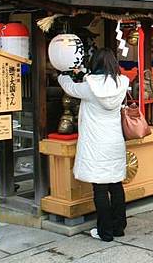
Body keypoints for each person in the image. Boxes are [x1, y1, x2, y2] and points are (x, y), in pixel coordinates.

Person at [58, 48, 130, 242]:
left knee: (99, 188)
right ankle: (118, 227)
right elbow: (98, 80)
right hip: (114, 141)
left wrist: (63, 74)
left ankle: (104, 232)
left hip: (95, 143)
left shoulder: (89, 87)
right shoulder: (121, 83)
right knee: (116, 186)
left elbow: (69, 88)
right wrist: (83, 74)